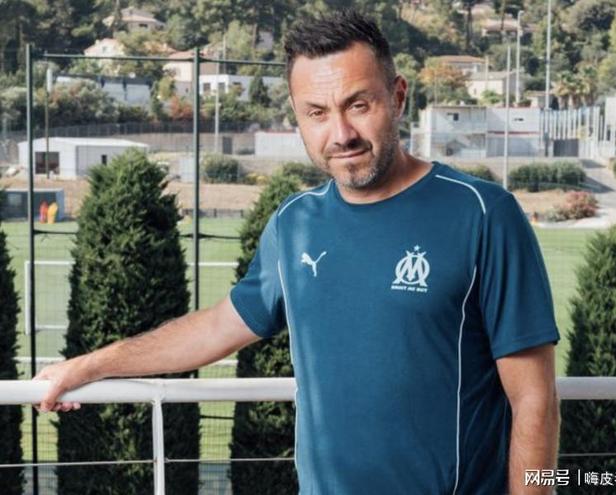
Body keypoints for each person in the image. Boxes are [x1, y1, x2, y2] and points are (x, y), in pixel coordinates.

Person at [36, 10, 560, 495]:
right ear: (298, 118)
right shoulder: (294, 224)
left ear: (398, 96)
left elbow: (535, 400)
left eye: (359, 105)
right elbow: (216, 328)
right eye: (317, 113)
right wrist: (91, 365)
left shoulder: (484, 213)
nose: (341, 133)